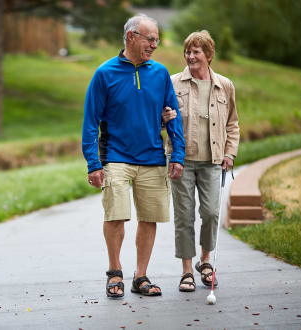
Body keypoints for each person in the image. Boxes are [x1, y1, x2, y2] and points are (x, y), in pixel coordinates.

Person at [82, 14, 185, 298]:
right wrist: (93, 163)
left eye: (157, 40)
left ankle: (141, 276)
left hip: (152, 156)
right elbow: (90, 122)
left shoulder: (160, 73)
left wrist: (178, 154)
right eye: (150, 39)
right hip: (115, 156)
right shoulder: (105, 73)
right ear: (131, 37)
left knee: (149, 217)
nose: (154, 45)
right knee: (116, 215)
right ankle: (114, 272)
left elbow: (172, 115)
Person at [163, 30, 240, 292]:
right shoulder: (173, 84)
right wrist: (162, 119)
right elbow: (159, 120)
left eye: (196, 52)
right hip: (181, 161)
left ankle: (205, 261)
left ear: (209, 55)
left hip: (213, 161)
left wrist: (230, 153)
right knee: (184, 216)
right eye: (187, 51)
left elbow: (233, 123)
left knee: (210, 212)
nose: (190, 56)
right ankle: (187, 271)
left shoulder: (225, 85)